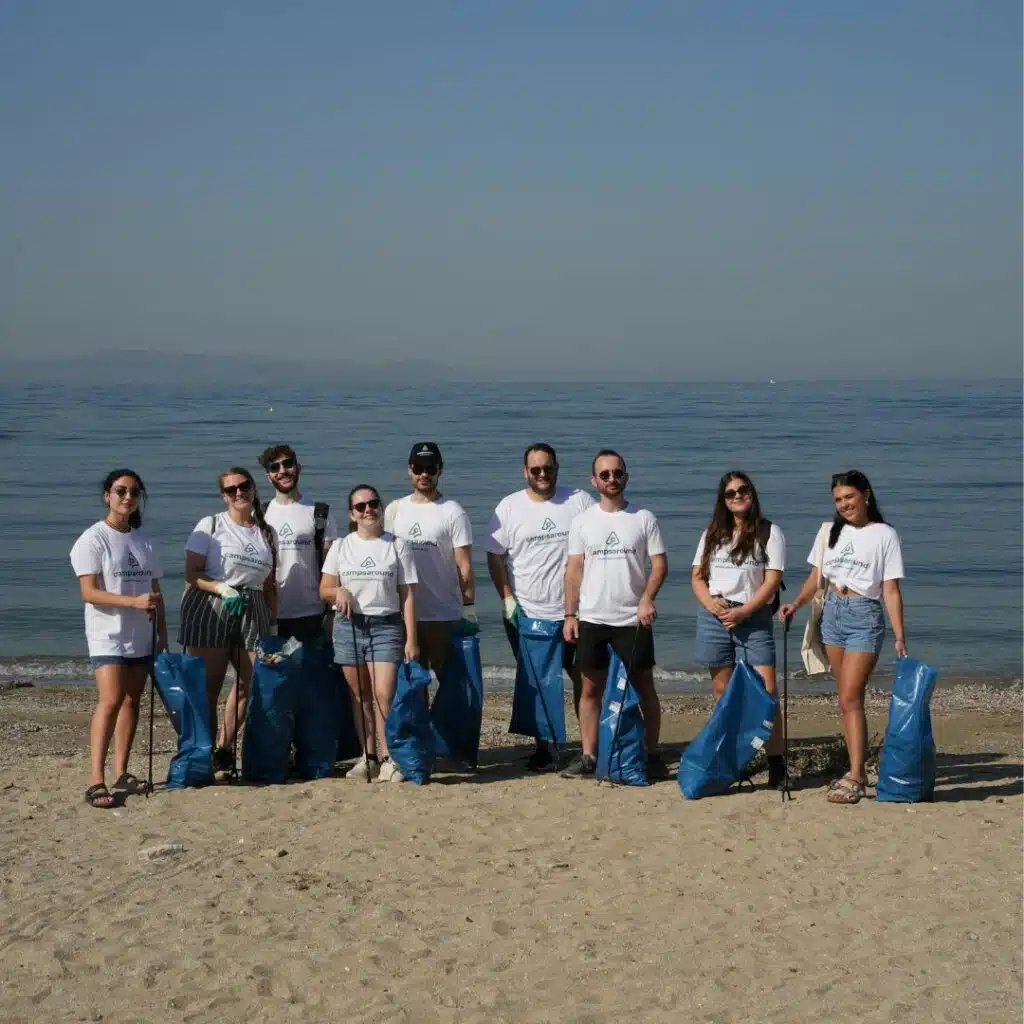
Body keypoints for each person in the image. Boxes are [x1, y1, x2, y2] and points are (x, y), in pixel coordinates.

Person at [778, 470, 906, 805]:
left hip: (864, 615)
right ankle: (856, 770)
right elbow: (817, 576)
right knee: (844, 698)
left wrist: (899, 634)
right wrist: (795, 603)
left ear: (866, 494)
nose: (844, 504)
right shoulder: (829, 532)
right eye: (838, 499)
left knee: (851, 695)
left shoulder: (884, 535)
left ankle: (856, 775)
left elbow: (891, 589)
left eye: (849, 497)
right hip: (832, 614)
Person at [486, 442, 594, 771]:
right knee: (536, 681)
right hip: (528, 612)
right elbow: (494, 555)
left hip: (575, 612)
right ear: (525, 472)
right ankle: (544, 748)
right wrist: (506, 597)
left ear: (557, 468)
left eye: (548, 468)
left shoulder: (578, 500)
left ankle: (590, 747)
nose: (543, 474)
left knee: (582, 677)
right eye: (536, 470)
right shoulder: (508, 507)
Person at [562, 450, 669, 780]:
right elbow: (574, 570)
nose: (612, 479)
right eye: (604, 475)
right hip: (593, 617)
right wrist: (570, 614)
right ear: (594, 481)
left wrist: (647, 599)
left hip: (632, 620)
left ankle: (651, 753)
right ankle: (589, 755)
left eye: (617, 473)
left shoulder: (643, 518)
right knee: (590, 689)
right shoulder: (582, 521)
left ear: (626, 476)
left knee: (643, 687)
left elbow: (660, 565)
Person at [71, 469, 167, 808]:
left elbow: (156, 592)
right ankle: (96, 779)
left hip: (142, 635)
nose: (128, 497)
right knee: (110, 700)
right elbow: (89, 592)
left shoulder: (144, 540)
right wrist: (132, 602)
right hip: (107, 635)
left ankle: (122, 771)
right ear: (107, 495)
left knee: (131, 702)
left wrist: (163, 636)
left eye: (134, 492)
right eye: (121, 491)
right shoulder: (93, 538)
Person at [691, 471, 787, 789]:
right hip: (715, 618)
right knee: (723, 694)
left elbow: (772, 580)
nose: (737, 497)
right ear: (723, 500)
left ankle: (777, 764)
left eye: (742, 490)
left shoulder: (770, 532)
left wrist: (745, 610)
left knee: (766, 693)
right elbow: (697, 577)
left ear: (752, 493)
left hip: (753, 617)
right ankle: (733, 761)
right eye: (730, 493)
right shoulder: (713, 533)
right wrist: (710, 604)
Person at [179, 466, 277, 774]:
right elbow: (191, 573)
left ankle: (223, 746)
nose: (239, 493)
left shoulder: (266, 531)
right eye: (231, 489)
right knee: (209, 686)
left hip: (254, 606)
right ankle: (203, 755)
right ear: (223, 496)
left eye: (243, 486)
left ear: (253, 488)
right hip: (212, 603)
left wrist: (272, 623)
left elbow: (269, 583)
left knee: (253, 682)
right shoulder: (211, 525)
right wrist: (222, 588)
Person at [320, 485, 418, 781]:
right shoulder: (341, 546)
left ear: (380, 507)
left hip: (386, 625)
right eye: (360, 507)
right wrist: (339, 591)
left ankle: (392, 758)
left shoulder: (397, 544)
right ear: (352, 513)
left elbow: (408, 595)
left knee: (383, 693)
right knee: (359, 695)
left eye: (373, 504)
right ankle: (369, 756)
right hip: (349, 625)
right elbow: (323, 589)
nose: (368, 510)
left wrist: (411, 637)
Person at [384, 442, 475, 683]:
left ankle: (447, 723)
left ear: (440, 470)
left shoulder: (453, 512)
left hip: (443, 615)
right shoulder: (394, 510)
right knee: (411, 684)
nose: (424, 474)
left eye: (431, 468)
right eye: (418, 468)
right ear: (409, 469)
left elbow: (464, 565)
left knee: (450, 684)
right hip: (405, 616)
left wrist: (469, 609)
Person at [259, 444, 339, 643]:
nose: (282, 471)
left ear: (298, 467)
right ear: (268, 476)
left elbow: (332, 569)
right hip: (271, 613)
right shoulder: (260, 515)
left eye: (287, 464)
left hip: (312, 612)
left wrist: (331, 612)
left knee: (313, 673)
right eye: (274, 468)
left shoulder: (320, 512)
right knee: (275, 672)